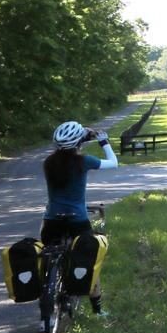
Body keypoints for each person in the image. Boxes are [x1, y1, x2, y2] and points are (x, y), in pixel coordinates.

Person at [41, 120, 118, 319]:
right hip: (77, 221)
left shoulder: (48, 163)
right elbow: (113, 163)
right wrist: (103, 141)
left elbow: (66, 158)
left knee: (47, 263)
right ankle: (98, 310)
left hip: (51, 222)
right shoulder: (84, 161)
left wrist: (82, 136)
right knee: (89, 260)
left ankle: (45, 317)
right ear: (79, 142)